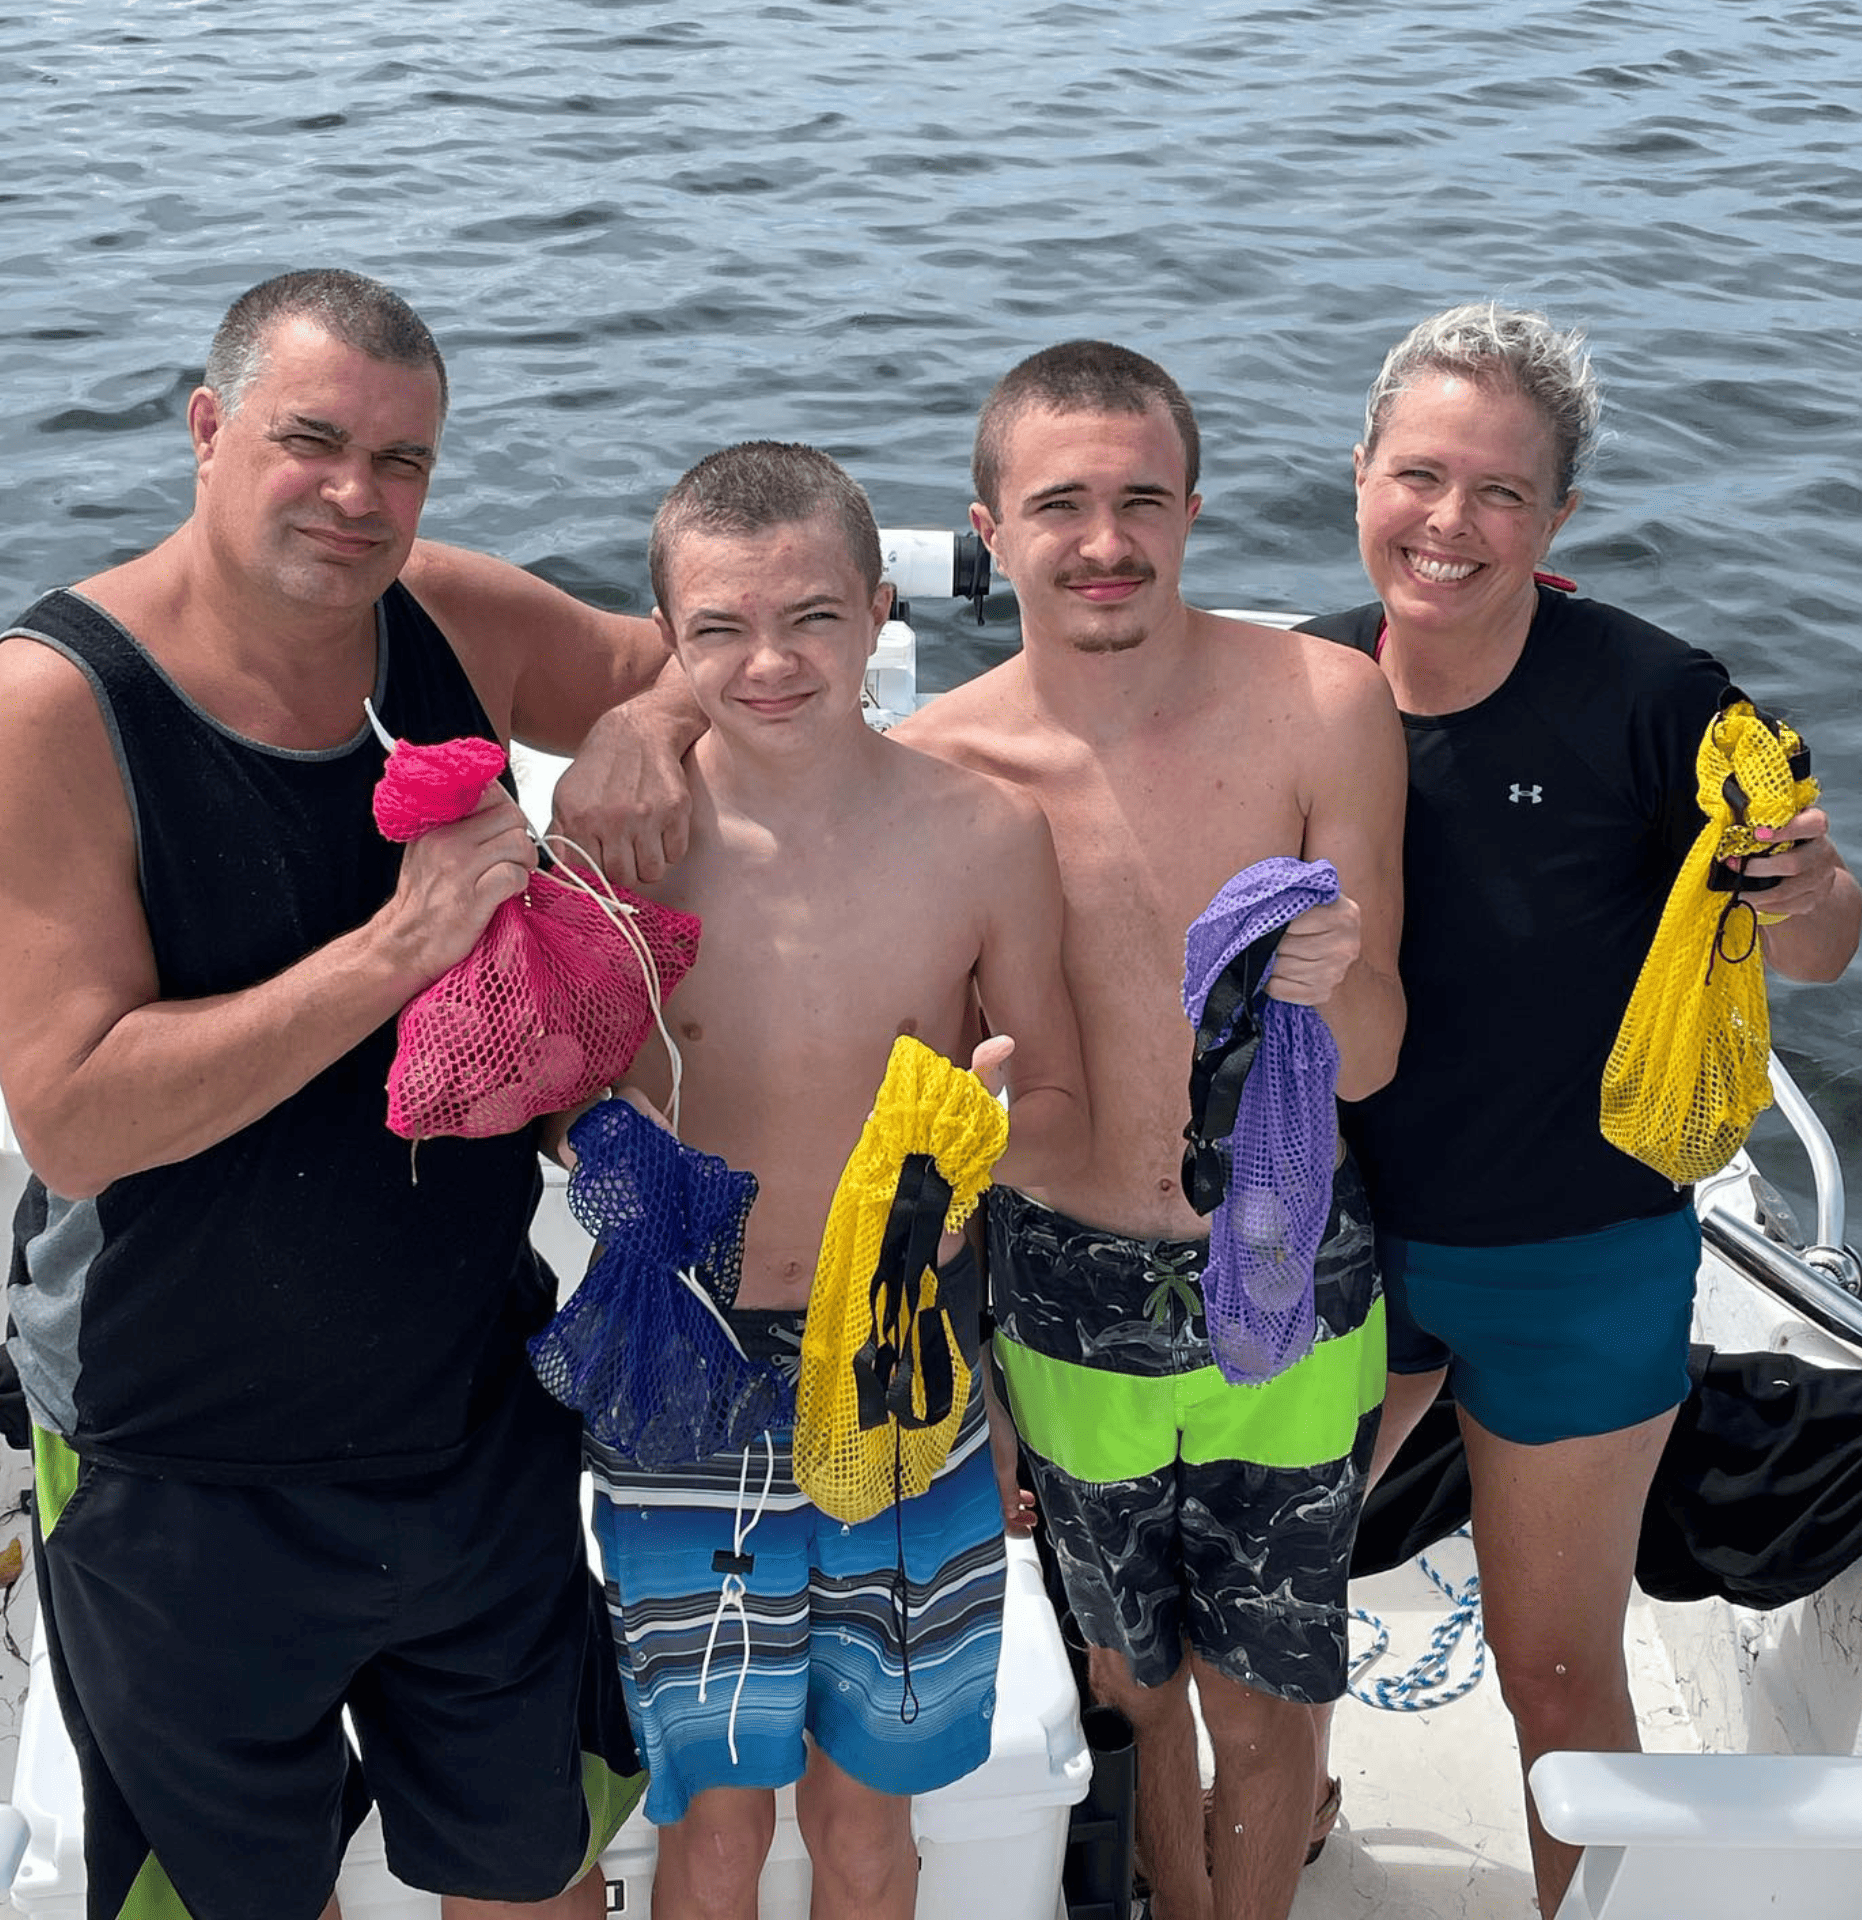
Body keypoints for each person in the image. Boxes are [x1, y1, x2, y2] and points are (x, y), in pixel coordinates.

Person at [0, 268, 706, 1920]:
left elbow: (691, 654)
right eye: (313, 442)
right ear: (209, 430)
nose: (359, 496)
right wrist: (397, 950)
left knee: (541, 1868)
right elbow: (73, 1115)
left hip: (467, 1410)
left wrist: (650, 719)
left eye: (404, 461)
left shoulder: (455, 620)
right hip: (177, 1452)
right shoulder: (58, 703)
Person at [1299, 301, 1862, 1920]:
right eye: (1421, 477)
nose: (1449, 524)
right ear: (1359, 480)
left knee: (1554, 1665)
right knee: (1279, 1609)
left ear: (1558, 521)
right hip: (1337, 1246)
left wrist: (1811, 886)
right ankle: (1300, 1806)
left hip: (1577, 1254)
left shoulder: (1652, 697)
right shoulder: (1295, 688)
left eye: (1500, 493)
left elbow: (1823, 947)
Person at [893, 343, 1408, 1920]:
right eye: (1059, 505)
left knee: (1269, 1693)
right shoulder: (933, 765)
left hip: (1290, 1279)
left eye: (1139, 500)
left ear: (1193, 508)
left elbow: (1376, 1057)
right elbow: (927, 1118)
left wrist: (1338, 981)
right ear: (991, 524)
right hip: (1062, 1299)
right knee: (1131, 1682)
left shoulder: (1327, 702)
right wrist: (960, 1382)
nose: (1104, 541)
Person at [579, 440, 1089, 1920]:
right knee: (718, 1829)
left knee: (870, 1828)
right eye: (720, 630)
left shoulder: (983, 832)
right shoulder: (625, 847)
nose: (772, 663)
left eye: (811, 618)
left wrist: (983, 1134)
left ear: (879, 614)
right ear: (669, 644)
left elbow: (1049, 1093)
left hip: (905, 1369)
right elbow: (561, 1108)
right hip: (685, 1371)